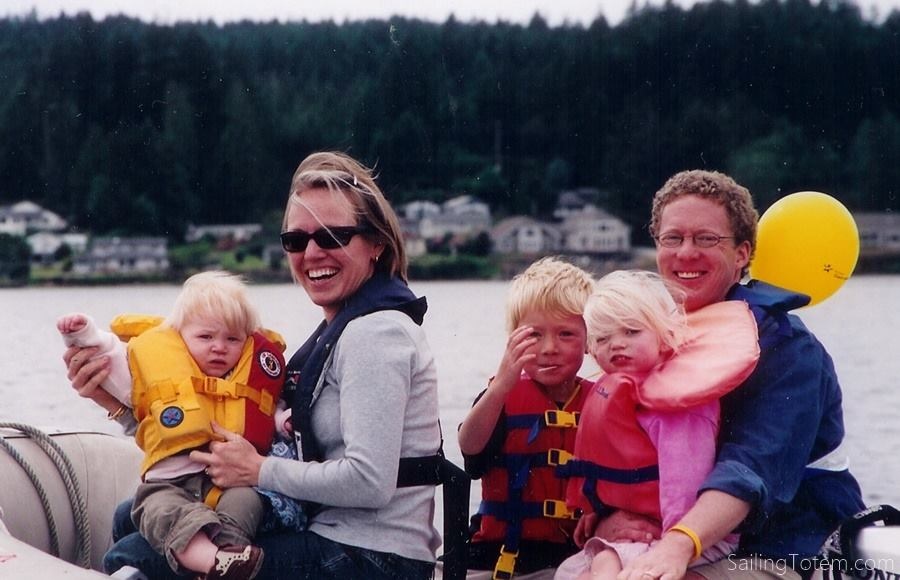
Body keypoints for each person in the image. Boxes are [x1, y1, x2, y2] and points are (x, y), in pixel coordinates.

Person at [64, 151, 443, 580]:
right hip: (333, 534)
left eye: (333, 236)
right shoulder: (339, 331)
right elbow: (217, 429)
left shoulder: (375, 335)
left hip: (374, 557)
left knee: (133, 556)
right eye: (296, 241)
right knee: (127, 517)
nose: (312, 253)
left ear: (376, 243)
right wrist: (114, 403)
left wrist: (259, 469)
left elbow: (368, 482)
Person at [599, 170, 865, 580]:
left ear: (742, 254)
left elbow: (752, 467)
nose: (685, 253)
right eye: (673, 239)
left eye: (706, 239)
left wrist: (678, 544)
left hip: (787, 544)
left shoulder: (790, 349)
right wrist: (604, 518)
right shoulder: (646, 337)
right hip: (674, 535)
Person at [58, 270, 286, 580]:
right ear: (180, 336)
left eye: (232, 339)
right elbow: (109, 355)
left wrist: (284, 422)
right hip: (169, 484)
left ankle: (231, 558)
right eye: (206, 337)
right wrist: (81, 335)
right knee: (158, 511)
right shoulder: (157, 367)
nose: (219, 347)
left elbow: (272, 412)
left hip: (228, 483)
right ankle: (211, 561)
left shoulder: (248, 378)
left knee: (247, 500)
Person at [553, 270, 759, 580]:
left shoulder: (677, 402)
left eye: (632, 332)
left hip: (686, 535)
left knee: (600, 570)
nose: (617, 345)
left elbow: (684, 483)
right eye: (603, 338)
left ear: (664, 335)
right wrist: (597, 512)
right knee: (570, 571)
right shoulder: (618, 389)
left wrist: (674, 543)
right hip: (639, 531)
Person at [458, 256, 596, 579]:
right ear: (513, 338)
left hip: (576, 557)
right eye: (534, 335)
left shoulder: (602, 401)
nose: (549, 348)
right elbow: (470, 451)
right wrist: (500, 389)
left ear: (591, 339)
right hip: (502, 556)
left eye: (566, 334)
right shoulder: (501, 398)